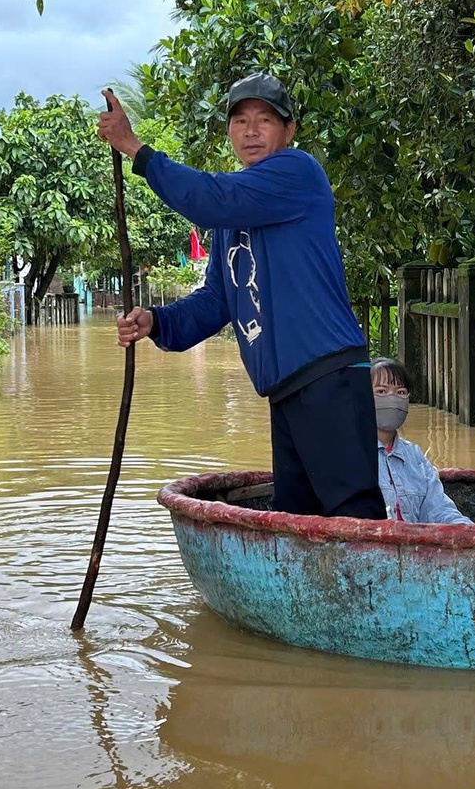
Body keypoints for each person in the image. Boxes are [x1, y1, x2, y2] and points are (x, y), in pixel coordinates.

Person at [99, 74, 387, 520]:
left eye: (265, 120)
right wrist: (156, 321)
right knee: (297, 520)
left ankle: (377, 591)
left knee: (354, 517)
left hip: (329, 377)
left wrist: (136, 149)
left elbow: (208, 198)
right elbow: (217, 300)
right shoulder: (231, 217)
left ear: (288, 131)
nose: (251, 131)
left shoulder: (297, 173)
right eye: (240, 121)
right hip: (285, 389)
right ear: (229, 132)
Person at [371, 358, 473, 526]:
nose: (393, 399)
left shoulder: (414, 456)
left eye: (401, 392)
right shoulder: (353, 455)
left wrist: (468, 530)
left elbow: (438, 509)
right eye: (382, 391)